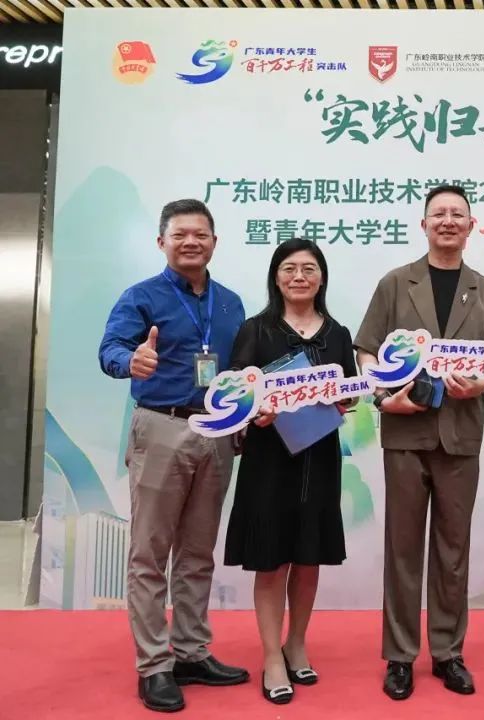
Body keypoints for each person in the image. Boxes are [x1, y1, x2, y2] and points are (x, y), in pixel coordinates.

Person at [354, 184, 484, 700]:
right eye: (438, 213)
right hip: (406, 431)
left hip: (460, 434)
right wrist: (383, 397)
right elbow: (367, 350)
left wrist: (480, 383)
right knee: (402, 548)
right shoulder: (396, 283)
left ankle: (447, 652)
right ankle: (399, 656)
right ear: (424, 224)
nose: (447, 221)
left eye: (457, 214)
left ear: (471, 226)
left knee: (453, 549)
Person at [98, 199, 249, 713]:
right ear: (161, 242)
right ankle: (154, 666)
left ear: (214, 242)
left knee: (197, 552)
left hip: (219, 432)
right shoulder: (141, 297)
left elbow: (240, 372)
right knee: (149, 553)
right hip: (162, 425)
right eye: (180, 234)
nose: (191, 242)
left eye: (200, 234)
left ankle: (191, 652)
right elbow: (110, 349)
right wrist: (131, 360)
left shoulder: (230, 304)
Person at [223, 238, 357, 705]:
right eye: (289, 268)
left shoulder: (338, 332)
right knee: (271, 557)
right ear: (276, 277)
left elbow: (351, 390)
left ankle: (296, 643)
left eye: (309, 268)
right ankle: (271, 656)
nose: (299, 276)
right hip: (269, 458)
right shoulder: (256, 329)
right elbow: (236, 387)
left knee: (308, 554)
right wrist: (255, 408)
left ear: (321, 278)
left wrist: (343, 398)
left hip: (319, 456)